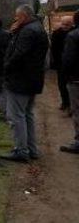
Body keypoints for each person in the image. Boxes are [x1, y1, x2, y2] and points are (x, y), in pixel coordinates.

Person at [1, 4, 49, 162]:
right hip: (33, 79)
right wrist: (13, 32)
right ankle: (31, 149)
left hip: (20, 80)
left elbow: (18, 54)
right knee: (27, 114)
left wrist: (6, 68)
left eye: (17, 16)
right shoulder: (38, 28)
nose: (15, 19)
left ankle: (21, 151)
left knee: (16, 116)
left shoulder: (27, 31)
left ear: (24, 16)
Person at [60, 10, 79, 154]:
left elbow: (68, 60)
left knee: (77, 110)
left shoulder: (73, 36)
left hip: (76, 79)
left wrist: (65, 77)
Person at [51, 16, 74, 111]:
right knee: (62, 85)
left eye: (67, 24)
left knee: (72, 85)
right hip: (61, 64)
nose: (64, 26)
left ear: (71, 24)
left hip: (73, 64)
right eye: (63, 24)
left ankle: (72, 104)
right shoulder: (56, 33)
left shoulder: (74, 32)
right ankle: (65, 102)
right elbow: (54, 50)